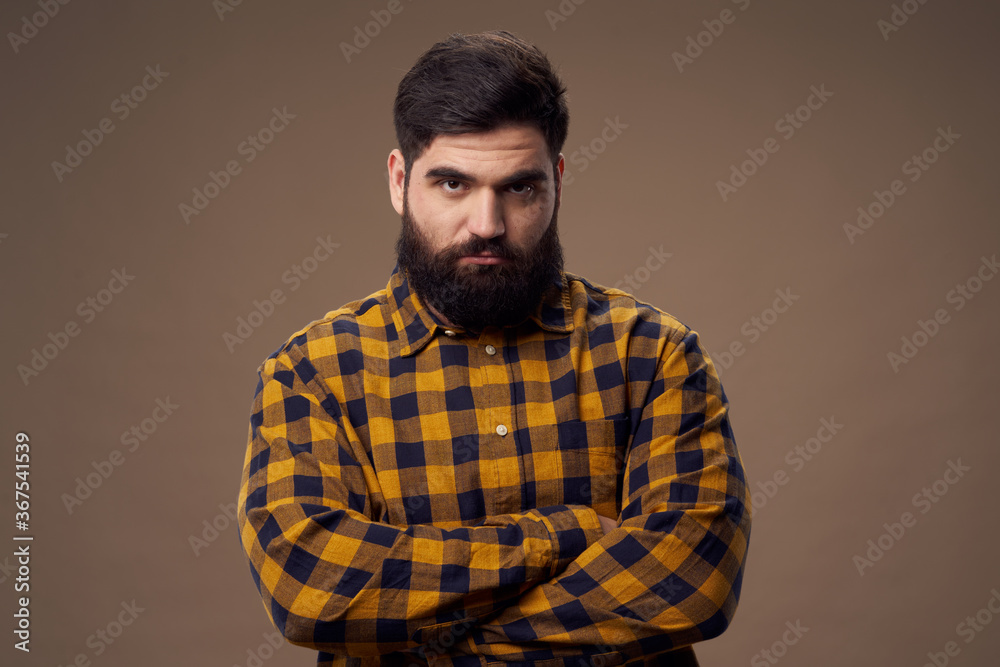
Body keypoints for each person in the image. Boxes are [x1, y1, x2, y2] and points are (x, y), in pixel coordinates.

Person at [237, 30, 751, 666]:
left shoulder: (653, 354)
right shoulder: (311, 373)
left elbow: (690, 582)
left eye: (520, 188)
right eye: (452, 185)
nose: (487, 223)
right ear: (400, 182)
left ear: (557, 182)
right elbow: (312, 588)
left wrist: (437, 639)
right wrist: (565, 536)